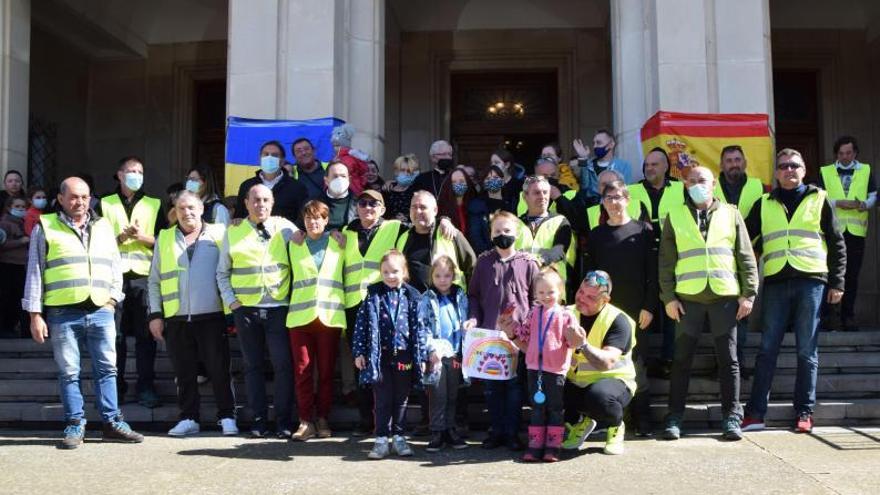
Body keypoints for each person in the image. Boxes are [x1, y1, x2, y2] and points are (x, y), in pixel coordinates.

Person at [23, 177, 144, 449]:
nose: (80, 202)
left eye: (85, 197)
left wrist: (113, 299)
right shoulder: (46, 227)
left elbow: (115, 266)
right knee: (69, 372)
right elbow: (35, 272)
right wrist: (34, 314)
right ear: (61, 199)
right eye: (74, 197)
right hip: (63, 312)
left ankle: (112, 422)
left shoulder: (103, 226)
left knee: (108, 369)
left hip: (101, 309)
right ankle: (75, 424)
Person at [742, 149, 847, 434]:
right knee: (767, 349)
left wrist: (837, 283)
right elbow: (744, 239)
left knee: (806, 351)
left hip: (811, 281)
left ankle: (804, 412)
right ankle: (755, 414)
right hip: (776, 281)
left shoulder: (820, 199)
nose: (789, 170)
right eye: (783, 166)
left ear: (804, 170)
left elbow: (838, 244)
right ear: (776, 173)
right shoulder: (763, 202)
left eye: (795, 166)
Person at [659, 166, 758, 441]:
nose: (697, 185)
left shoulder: (731, 212)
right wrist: (668, 297)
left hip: (724, 298)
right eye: (691, 181)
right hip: (687, 300)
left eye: (702, 180)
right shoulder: (675, 216)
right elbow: (666, 262)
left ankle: (731, 418)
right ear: (685, 184)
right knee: (680, 361)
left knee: (729, 360)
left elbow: (745, 256)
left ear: (713, 183)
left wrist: (749, 293)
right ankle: (675, 417)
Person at [147, 191, 238, 437]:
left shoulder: (220, 233)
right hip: (176, 315)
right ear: (175, 212)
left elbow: (231, 269)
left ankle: (227, 415)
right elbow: (154, 280)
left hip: (211, 313)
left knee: (219, 368)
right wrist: (155, 314)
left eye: (191, 208)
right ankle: (189, 417)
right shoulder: (165, 237)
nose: (186, 213)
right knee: (184, 371)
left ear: (201, 210)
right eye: (181, 208)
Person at [218, 184, 297, 438]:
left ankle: (283, 421)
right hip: (247, 309)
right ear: (246, 202)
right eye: (255, 200)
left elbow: (309, 242)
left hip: (278, 308)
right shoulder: (234, 230)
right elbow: (222, 272)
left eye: (265, 200)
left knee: (283, 365)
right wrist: (232, 302)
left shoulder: (285, 227)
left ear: (272, 203)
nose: (260, 204)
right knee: (252, 367)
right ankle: (259, 421)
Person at [585, 180, 657, 436]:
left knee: (637, 367)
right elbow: (590, 276)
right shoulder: (597, 235)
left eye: (618, 197)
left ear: (628, 199)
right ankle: (612, 419)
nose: (614, 203)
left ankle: (643, 419)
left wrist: (649, 306)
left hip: (637, 311)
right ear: (603, 203)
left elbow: (653, 273)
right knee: (607, 365)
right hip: (605, 313)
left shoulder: (644, 230)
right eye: (609, 198)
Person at [467, 210, 540, 451]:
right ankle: (496, 431)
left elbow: (536, 299)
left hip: (518, 339)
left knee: (514, 388)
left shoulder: (528, 264)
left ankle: (512, 432)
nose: (502, 235)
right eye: (497, 231)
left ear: (517, 233)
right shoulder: (484, 262)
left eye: (507, 230)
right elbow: (474, 296)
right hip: (490, 337)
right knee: (492, 388)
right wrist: (473, 318)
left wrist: (529, 329)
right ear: (490, 234)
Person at [100, 156, 167, 408]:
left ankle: (146, 386)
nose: (135, 175)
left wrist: (142, 237)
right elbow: (95, 238)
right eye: (131, 171)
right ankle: (115, 387)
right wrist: (119, 237)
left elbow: (164, 239)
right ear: (119, 174)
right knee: (113, 336)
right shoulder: (104, 203)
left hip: (142, 277)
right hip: (112, 276)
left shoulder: (154, 203)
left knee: (145, 336)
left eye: (140, 171)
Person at [352, 250, 426, 459]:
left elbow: (420, 329)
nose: (390, 276)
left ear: (404, 272)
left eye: (395, 271)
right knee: (382, 398)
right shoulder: (373, 296)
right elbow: (361, 326)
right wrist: (359, 352)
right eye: (385, 272)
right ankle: (381, 439)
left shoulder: (413, 297)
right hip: (379, 357)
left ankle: (399, 438)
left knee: (401, 398)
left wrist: (420, 358)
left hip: (404, 356)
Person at [499, 268, 578, 462]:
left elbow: (573, 342)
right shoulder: (533, 313)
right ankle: (535, 445)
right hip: (534, 368)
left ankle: (553, 446)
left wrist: (576, 338)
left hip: (556, 370)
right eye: (541, 293)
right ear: (535, 294)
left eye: (551, 292)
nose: (546, 296)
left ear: (560, 292)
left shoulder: (566, 315)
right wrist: (510, 325)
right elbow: (524, 334)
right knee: (536, 407)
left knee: (555, 408)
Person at [343, 189, 405, 435]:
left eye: (373, 204)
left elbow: (425, 225)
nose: (367, 207)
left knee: (382, 360)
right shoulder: (346, 233)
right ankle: (365, 419)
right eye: (362, 203)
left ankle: (385, 420)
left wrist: (444, 221)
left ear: (382, 208)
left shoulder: (395, 228)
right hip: (352, 305)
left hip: (381, 303)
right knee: (360, 361)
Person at [286, 200, 345, 441]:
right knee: (302, 371)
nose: (313, 222)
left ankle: (322, 418)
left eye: (318, 217)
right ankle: (305, 421)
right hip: (300, 318)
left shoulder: (339, 242)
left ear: (326, 219)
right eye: (309, 218)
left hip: (329, 318)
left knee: (327, 372)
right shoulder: (294, 243)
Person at [561, 271, 636, 455]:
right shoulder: (566, 313)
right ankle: (583, 422)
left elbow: (607, 363)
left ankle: (616, 426)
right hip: (577, 382)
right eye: (581, 292)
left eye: (590, 297)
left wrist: (583, 345)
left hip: (614, 383)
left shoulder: (618, 320)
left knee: (599, 397)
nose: (582, 299)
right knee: (539, 385)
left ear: (605, 300)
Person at [628, 147, 686, 377]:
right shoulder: (631, 191)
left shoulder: (682, 189)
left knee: (673, 310)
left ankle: (670, 359)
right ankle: (642, 360)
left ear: (666, 167)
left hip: (674, 257)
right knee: (644, 309)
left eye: (655, 164)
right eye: (647, 165)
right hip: (641, 256)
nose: (649, 168)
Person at [817, 135, 875, 332]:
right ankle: (829, 317)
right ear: (836, 154)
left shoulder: (866, 170)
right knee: (830, 274)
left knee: (852, 276)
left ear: (855, 153)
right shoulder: (825, 172)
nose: (845, 157)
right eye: (841, 153)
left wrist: (863, 204)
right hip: (832, 232)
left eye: (848, 153)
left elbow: (873, 195)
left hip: (856, 233)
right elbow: (818, 197)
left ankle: (848, 316)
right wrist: (838, 203)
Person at [419, 256, 469, 452]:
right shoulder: (427, 298)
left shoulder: (460, 295)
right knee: (438, 394)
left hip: (455, 353)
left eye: (447, 275)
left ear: (453, 276)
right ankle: (437, 431)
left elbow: (466, 318)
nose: (442, 280)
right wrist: (430, 349)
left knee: (452, 394)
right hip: (437, 356)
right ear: (432, 276)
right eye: (438, 275)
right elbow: (422, 327)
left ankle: (450, 429)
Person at [397, 191, 475, 293]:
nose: (418, 211)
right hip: (411, 304)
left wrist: (471, 301)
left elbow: (473, 268)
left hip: (447, 303)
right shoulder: (403, 237)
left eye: (423, 207)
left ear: (435, 210)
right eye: (414, 207)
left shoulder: (451, 234)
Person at [515, 176, 575, 287]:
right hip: (521, 286)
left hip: (551, 289)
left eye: (545, 192)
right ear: (525, 197)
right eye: (537, 193)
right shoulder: (514, 223)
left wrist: (538, 260)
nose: (542, 196)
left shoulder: (561, 221)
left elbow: (559, 251)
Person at [234, 140, 308, 224]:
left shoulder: (297, 187)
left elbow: (303, 219)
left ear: (282, 161)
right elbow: (238, 216)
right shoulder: (247, 186)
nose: (269, 158)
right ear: (260, 158)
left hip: (284, 235)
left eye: (274, 155)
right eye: (265, 154)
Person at [574, 131, 633, 203]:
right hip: (591, 208)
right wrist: (583, 158)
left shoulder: (623, 166)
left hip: (613, 206)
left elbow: (626, 191)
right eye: (594, 143)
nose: (595, 146)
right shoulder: (589, 164)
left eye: (599, 143)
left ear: (611, 144)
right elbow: (584, 187)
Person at [0, 196, 30, 338]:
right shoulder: (5, 223)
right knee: (7, 298)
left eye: (23, 207)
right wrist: (20, 242)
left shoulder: (23, 222)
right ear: (9, 207)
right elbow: (3, 243)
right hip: (8, 265)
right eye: (17, 207)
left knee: (18, 298)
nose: (20, 210)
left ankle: (14, 326)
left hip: (21, 265)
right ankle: (6, 327)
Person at [321, 161, 359, 231]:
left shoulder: (361, 204)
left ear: (349, 180)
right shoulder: (313, 204)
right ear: (326, 181)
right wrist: (329, 234)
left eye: (343, 176)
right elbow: (303, 231)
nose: (339, 179)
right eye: (335, 176)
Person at [438, 167, 477, 233]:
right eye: (454, 182)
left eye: (462, 181)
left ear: (467, 183)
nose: (458, 184)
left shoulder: (475, 205)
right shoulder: (442, 206)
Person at [383, 154, 420, 222]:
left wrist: (407, 218)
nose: (406, 173)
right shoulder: (387, 190)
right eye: (402, 170)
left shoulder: (416, 191)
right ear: (396, 171)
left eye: (409, 171)